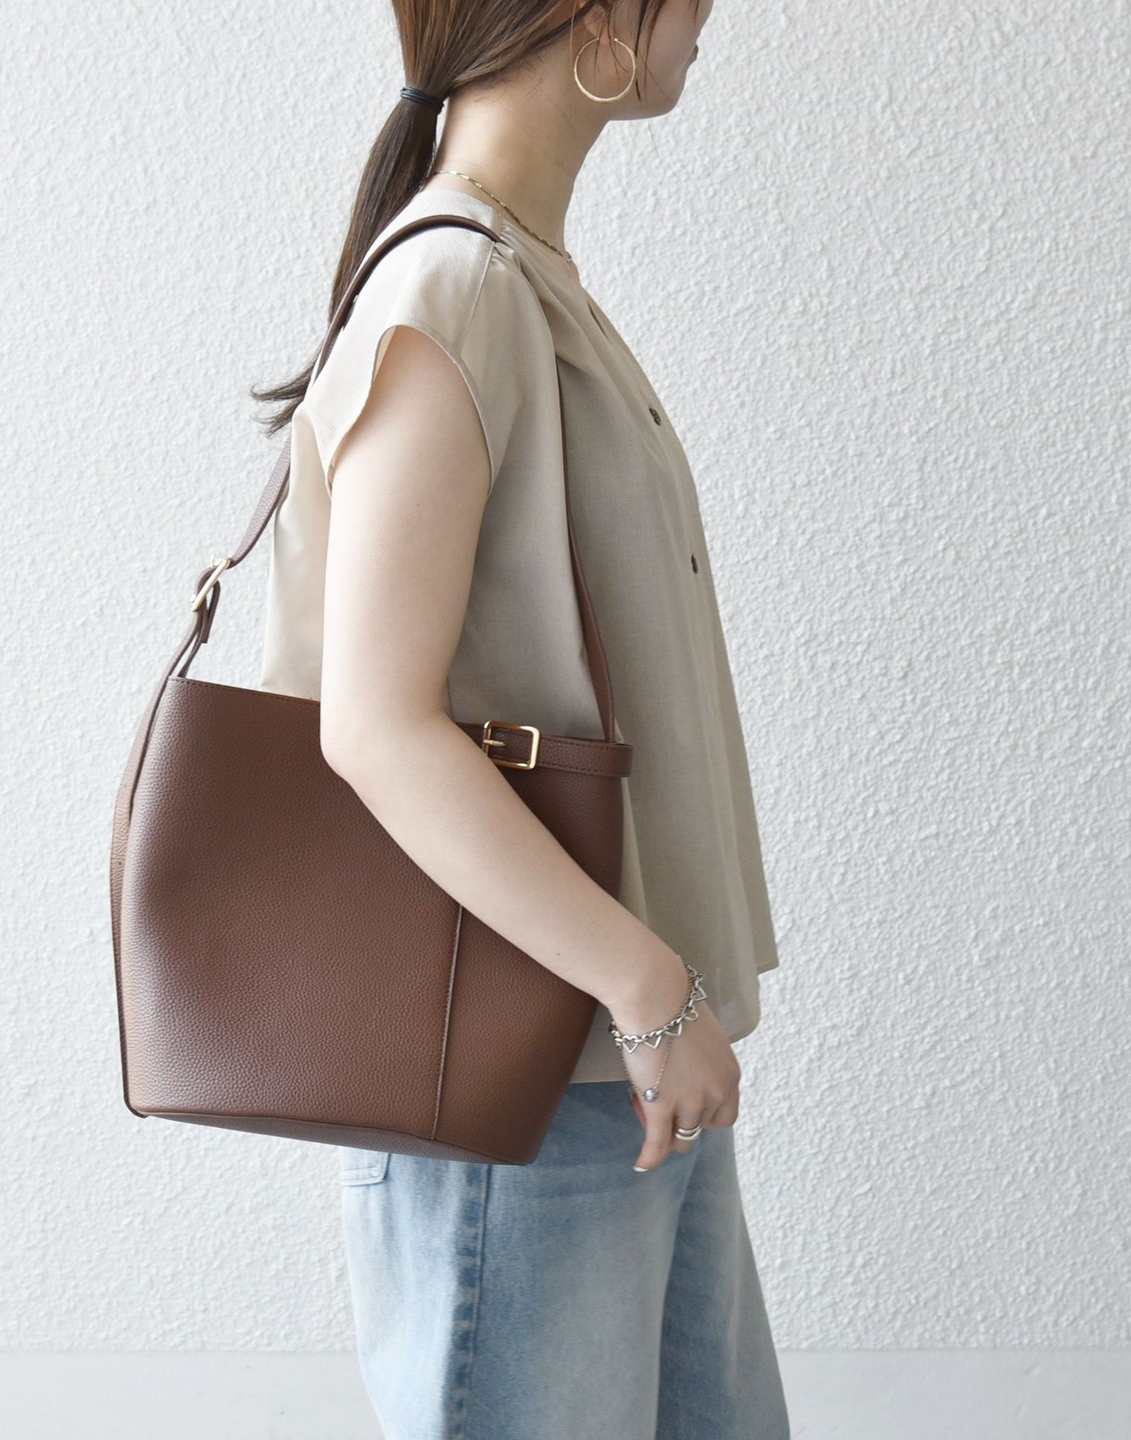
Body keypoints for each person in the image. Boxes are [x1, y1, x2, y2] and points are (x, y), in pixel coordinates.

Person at [251, 2, 789, 1435]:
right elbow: (375, 726)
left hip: (608, 1059)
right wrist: (647, 987)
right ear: (591, 18)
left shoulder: (522, 278)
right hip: (527, 1074)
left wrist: (656, 1000)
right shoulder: (455, 288)